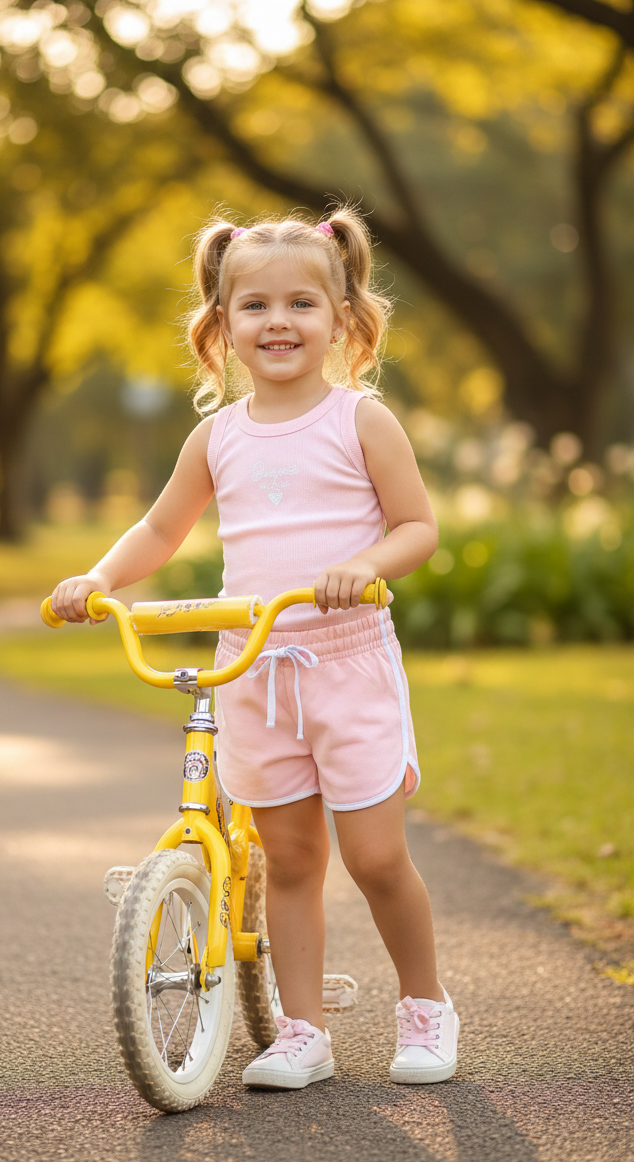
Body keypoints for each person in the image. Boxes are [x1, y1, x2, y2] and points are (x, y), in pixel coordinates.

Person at [50, 207, 460, 1090]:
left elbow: (418, 527)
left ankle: (424, 1004)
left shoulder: (362, 420)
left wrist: (362, 563)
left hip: (345, 659)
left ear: (343, 318)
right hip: (256, 665)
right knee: (293, 858)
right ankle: (302, 1029)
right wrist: (99, 580)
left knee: (376, 856)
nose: (279, 321)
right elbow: (160, 528)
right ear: (220, 326)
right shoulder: (218, 436)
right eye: (256, 306)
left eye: (303, 303)